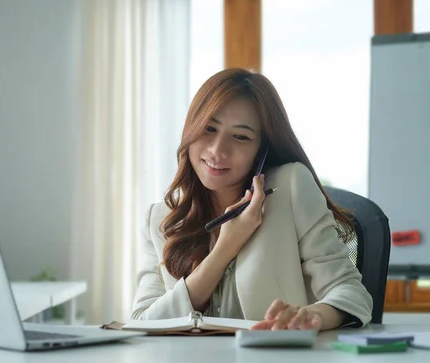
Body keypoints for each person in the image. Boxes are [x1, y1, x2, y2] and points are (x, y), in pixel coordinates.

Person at [130, 68, 372, 331]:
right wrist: (226, 247)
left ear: (262, 150)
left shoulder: (290, 187)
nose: (217, 150)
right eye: (209, 129)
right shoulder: (160, 218)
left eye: (240, 136)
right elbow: (143, 323)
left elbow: (351, 293)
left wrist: (312, 317)